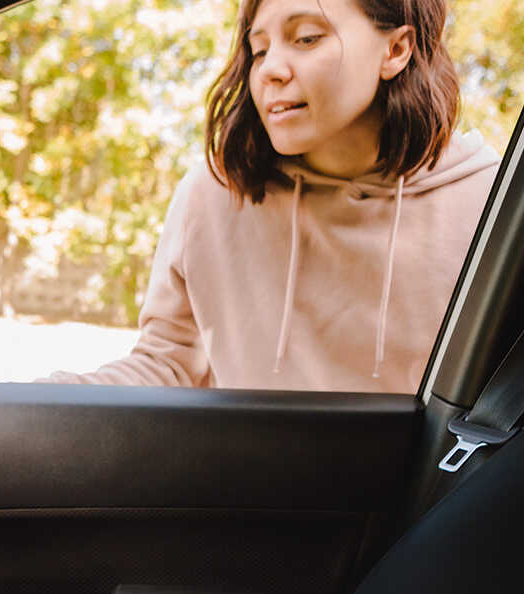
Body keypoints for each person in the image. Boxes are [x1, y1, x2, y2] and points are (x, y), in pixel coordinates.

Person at [43, 0, 499, 392]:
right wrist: (35, 402)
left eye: (306, 38)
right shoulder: (217, 193)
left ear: (396, 49)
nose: (270, 71)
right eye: (259, 50)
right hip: (253, 492)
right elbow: (169, 366)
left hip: (435, 494)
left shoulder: (488, 207)